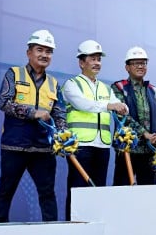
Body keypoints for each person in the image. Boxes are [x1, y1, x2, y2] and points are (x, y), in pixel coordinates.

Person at [0, 29, 67, 222]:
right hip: (14, 146)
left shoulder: (53, 82)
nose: (44, 55)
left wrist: (62, 132)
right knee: (5, 192)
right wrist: (33, 113)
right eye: (39, 49)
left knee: (47, 195)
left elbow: (59, 112)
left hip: (43, 149)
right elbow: (4, 102)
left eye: (48, 51)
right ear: (29, 52)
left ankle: (52, 231)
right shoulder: (14, 74)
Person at [61, 39, 128, 221]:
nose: (97, 62)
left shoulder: (105, 88)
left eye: (99, 59)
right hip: (80, 146)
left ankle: (94, 227)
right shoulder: (72, 84)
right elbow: (84, 104)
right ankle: (73, 227)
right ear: (81, 62)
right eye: (93, 58)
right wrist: (111, 105)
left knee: (97, 191)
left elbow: (121, 106)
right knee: (78, 190)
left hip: (102, 147)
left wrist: (121, 107)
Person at [111, 46, 156, 185]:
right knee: (122, 191)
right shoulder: (119, 88)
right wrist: (145, 134)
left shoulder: (153, 90)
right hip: (127, 150)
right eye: (136, 63)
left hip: (150, 152)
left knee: (148, 194)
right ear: (127, 67)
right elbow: (123, 117)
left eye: (143, 63)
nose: (140, 66)